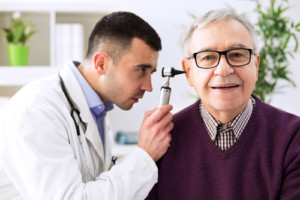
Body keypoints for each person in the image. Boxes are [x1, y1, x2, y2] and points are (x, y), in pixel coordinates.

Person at [0, 11, 173, 200]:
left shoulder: (97, 110)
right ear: (101, 63)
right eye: (141, 70)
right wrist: (144, 156)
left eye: (151, 73)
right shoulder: (36, 111)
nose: (148, 87)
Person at [146, 8, 300, 200]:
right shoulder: (161, 140)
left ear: (256, 65)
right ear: (188, 72)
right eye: (208, 57)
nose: (224, 70)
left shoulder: (294, 138)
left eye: (237, 55)